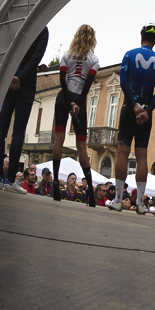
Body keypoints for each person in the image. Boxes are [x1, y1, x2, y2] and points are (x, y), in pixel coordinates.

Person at [106, 24, 155, 214]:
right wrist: (146, 110)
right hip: (146, 112)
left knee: (122, 153)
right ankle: (140, 202)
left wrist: (134, 106)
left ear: (141, 36)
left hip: (128, 109)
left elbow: (123, 82)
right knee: (142, 156)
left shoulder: (129, 55)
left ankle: (117, 200)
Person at [0, 27, 49, 188]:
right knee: (18, 132)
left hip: (8, 81)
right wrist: (20, 78)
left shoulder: (19, 23)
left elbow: (6, 48)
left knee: (1, 129)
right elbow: (36, 57)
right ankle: (10, 180)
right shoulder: (42, 30)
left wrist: (9, 76)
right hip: (26, 85)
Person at [53, 25, 99, 202]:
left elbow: (62, 80)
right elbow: (87, 85)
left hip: (63, 97)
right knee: (81, 146)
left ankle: (55, 183)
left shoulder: (66, 56)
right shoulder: (94, 60)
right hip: (80, 98)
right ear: (92, 39)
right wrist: (77, 103)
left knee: (59, 139)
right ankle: (91, 191)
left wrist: (68, 101)